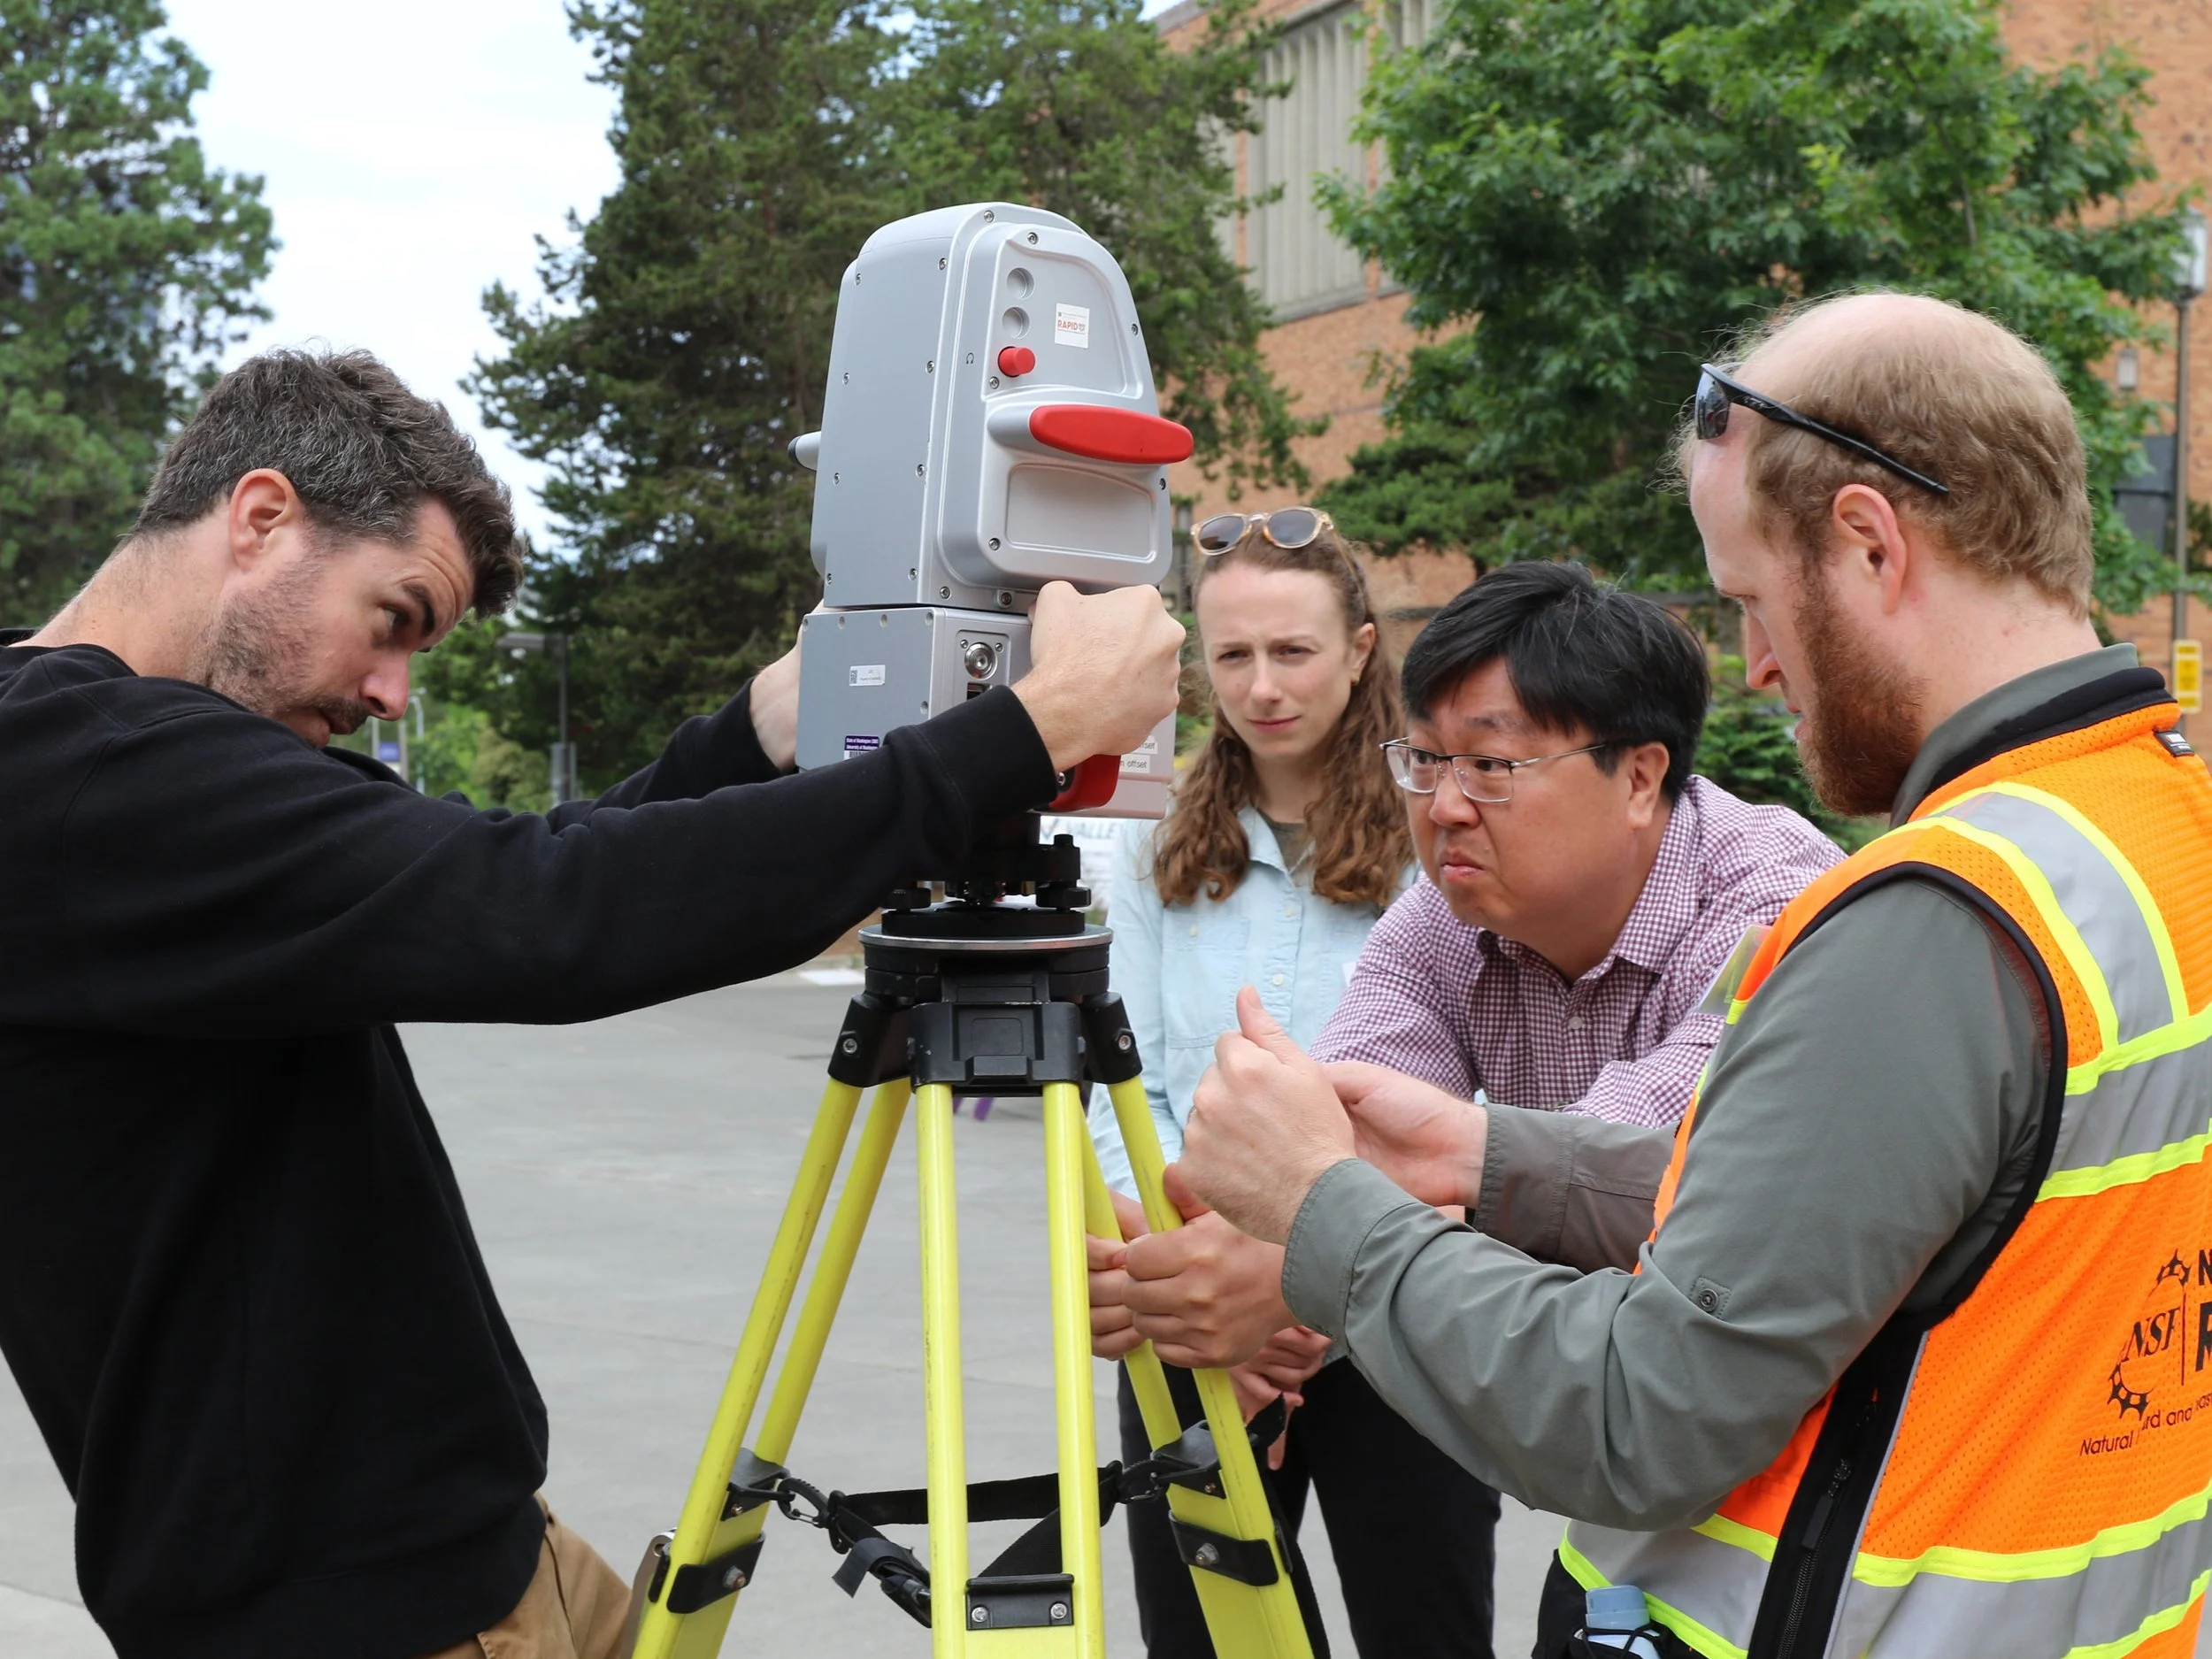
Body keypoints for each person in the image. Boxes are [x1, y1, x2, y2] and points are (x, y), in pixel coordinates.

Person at [0, 347, 1184, 1659]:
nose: (391, 689)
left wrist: (754, 735)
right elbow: (549, 914)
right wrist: (1018, 733)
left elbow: (505, 875)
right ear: (262, 517)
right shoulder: (74, 779)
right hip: (351, 1615)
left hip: (489, 1555)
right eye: (394, 617)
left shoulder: (134, 769)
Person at [1171, 293, 2212, 1657]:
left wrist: (1320, 1214)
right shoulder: (2157, 825)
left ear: (1868, 541)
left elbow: (1639, 1416)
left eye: (1750, 603)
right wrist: (1500, 1156)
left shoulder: (1934, 923)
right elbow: (1873, 1226)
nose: (1759, 666)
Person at [1087, 509, 1505, 1657]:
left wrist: (1301, 1281)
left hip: (1407, 1322)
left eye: (1294, 651)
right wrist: (1202, 1281)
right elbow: (1121, 1083)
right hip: (1199, 1325)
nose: (1261, 685)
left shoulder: (1447, 834)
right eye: (1232, 655)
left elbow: (1480, 1092)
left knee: (1426, 1631)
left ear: (1364, 648)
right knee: (1205, 1642)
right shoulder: (1155, 835)